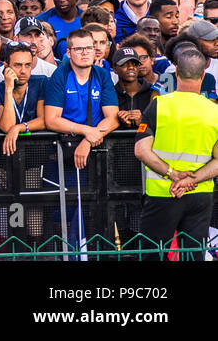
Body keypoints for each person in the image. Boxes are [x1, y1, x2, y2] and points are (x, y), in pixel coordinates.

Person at [133, 48, 218, 259]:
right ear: (204, 74)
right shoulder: (214, 112)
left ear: (176, 71)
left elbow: (141, 150)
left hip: (163, 192)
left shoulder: (158, 105)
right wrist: (193, 179)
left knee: (152, 254)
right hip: (200, 194)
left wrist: (173, 175)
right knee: (193, 254)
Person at [44, 28, 120, 168]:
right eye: (79, 49)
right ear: (68, 53)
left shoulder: (102, 75)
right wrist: (86, 130)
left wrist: (88, 140)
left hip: (96, 147)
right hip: (64, 148)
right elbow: (51, 120)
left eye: (89, 48)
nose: (85, 53)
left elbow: (113, 118)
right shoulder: (60, 75)